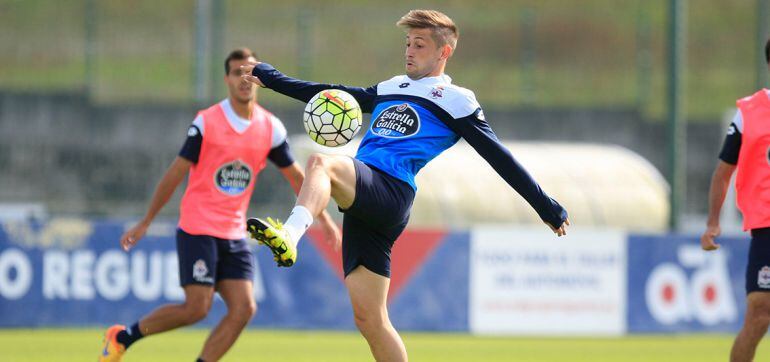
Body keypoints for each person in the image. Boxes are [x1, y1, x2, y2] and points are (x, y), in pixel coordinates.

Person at [242, 10, 569, 361]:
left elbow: (499, 157)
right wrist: (272, 78)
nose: (410, 51)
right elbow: (333, 94)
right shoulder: (392, 87)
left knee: (322, 163)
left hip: (390, 190)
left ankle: (290, 235)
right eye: (408, 43)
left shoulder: (457, 100)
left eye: (420, 45)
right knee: (371, 320)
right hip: (366, 199)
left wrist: (546, 206)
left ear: (444, 52)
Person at [98, 48, 341, 362]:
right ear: (227, 79)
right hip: (198, 227)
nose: (244, 79)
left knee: (244, 308)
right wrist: (146, 221)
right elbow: (176, 173)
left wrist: (325, 220)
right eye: (237, 72)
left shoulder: (270, 128)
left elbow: (296, 177)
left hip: (235, 232)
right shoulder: (207, 122)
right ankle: (122, 337)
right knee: (197, 308)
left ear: (260, 79)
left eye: (250, 72)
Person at [701, 38, 770, 362]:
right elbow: (723, 172)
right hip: (767, 226)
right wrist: (713, 222)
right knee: (759, 313)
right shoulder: (749, 114)